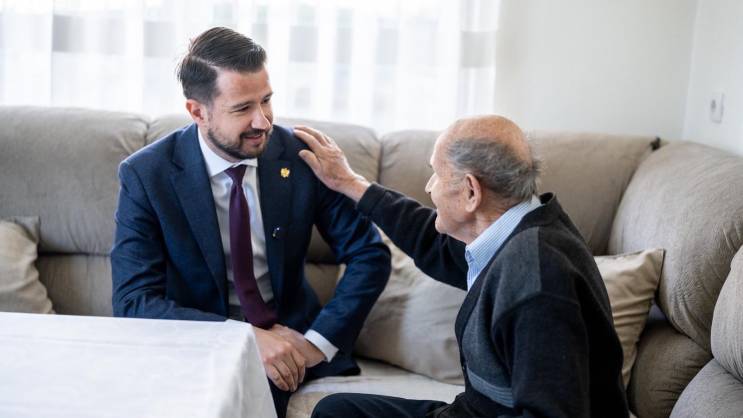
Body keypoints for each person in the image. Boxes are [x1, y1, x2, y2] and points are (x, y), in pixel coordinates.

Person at [110, 27, 391, 418]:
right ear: (198, 111)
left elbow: (369, 254)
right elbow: (133, 300)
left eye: (267, 100)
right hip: (198, 343)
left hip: (291, 340)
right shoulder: (147, 175)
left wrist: (315, 344)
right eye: (242, 109)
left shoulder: (301, 156)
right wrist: (242, 339)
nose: (264, 121)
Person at [294, 115, 629, 417]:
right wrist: (350, 182)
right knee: (336, 411)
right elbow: (432, 242)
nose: (429, 187)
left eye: (436, 175)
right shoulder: (518, 229)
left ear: (471, 191)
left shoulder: (537, 279)